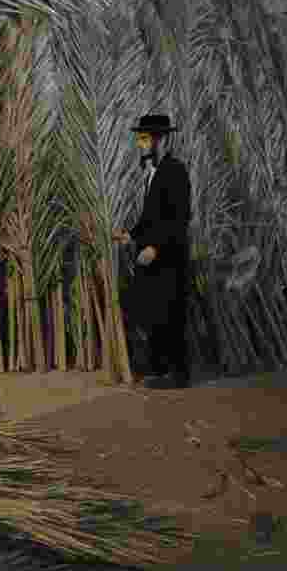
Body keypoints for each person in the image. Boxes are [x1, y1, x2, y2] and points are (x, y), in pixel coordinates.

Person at [112, 114, 192, 389]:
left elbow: (179, 218)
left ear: (163, 140)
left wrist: (156, 248)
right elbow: (149, 219)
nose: (141, 144)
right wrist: (130, 236)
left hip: (170, 259)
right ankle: (159, 370)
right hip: (153, 259)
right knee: (155, 314)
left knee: (171, 314)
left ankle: (177, 374)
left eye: (145, 139)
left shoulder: (175, 171)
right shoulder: (153, 174)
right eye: (140, 139)